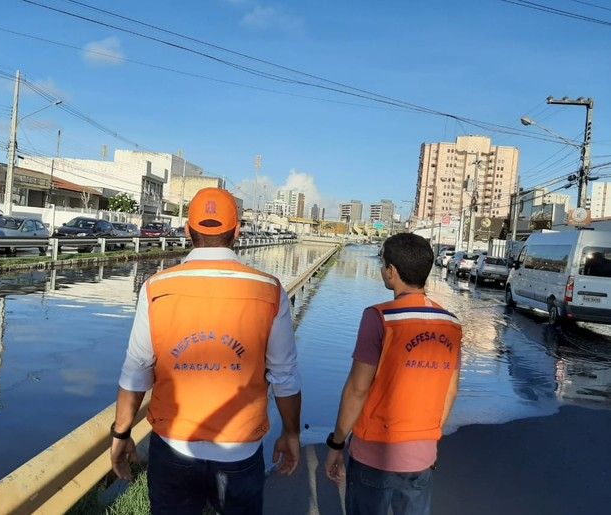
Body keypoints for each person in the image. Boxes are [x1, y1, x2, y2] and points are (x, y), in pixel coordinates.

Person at [111, 188, 302, 515]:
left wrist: (121, 433)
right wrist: (291, 433)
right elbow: (284, 376)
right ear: (238, 231)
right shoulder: (270, 290)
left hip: (173, 446)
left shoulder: (156, 287)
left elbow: (137, 370)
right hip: (240, 450)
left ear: (188, 230)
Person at [325, 233, 462, 515]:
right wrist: (431, 439)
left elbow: (357, 389)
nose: (381, 269)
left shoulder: (379, 317)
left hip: (375, 452)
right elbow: (450, 391)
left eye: (383, 263)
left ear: (392, 272)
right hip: (422, 455)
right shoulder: (451, 324)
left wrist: (337, 442)